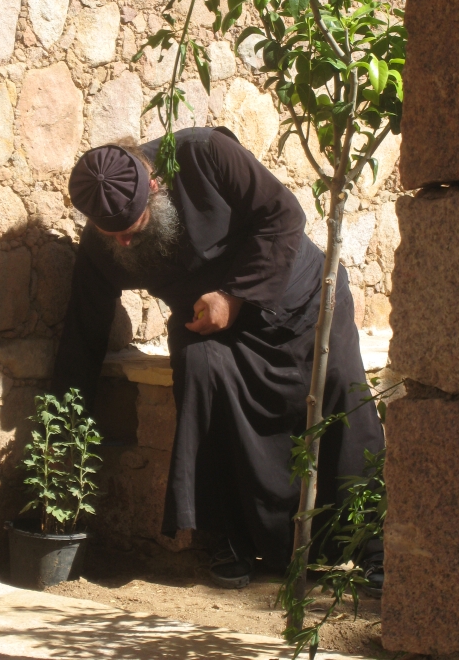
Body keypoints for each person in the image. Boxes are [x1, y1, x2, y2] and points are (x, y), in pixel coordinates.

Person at [52, 126, 384, 589]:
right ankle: (230, 540)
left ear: (153, 185)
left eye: (133, 230)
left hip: (299, 301)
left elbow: (284, 217)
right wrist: (60, 424)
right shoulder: (106, 242)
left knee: (341, 392)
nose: (124, 245)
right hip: (211, 324)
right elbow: (84, 330)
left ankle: (373, 547)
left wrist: (234, 296)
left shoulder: (205, 153)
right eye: (114, 237)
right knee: (198, 369)